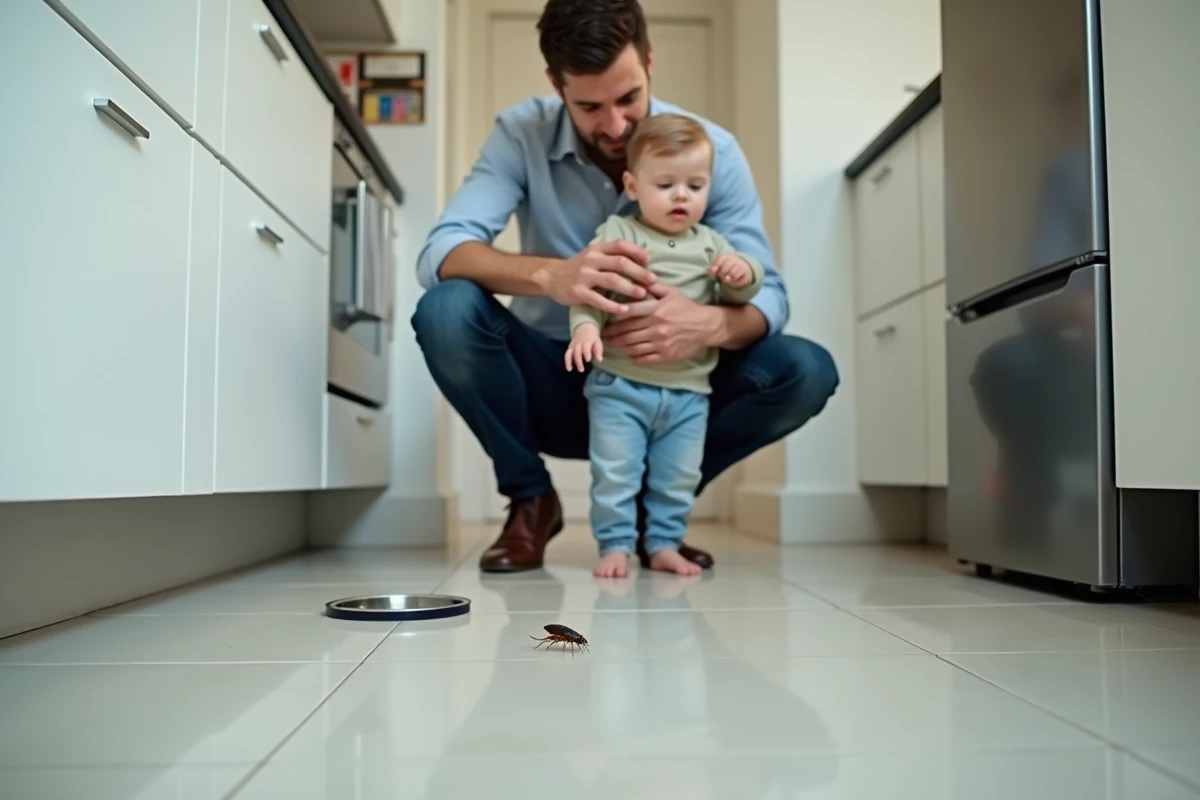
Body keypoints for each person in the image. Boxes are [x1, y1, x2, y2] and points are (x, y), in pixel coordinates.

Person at [411, 0, 839, 573]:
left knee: (805, 370)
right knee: (446, 310)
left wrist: (706, 323)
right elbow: (440, 251)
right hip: (558, 377)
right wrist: (551, 275)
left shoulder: (714, 151)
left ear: (650, 61)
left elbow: (771, 296)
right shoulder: (521, 133)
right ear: (555, 84)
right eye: (589, 106)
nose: (614, 126)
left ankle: (656, 510)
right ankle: (531, 499)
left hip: (677, 386)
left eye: (628, 98)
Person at [566, 114, 764, 578]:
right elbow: (588, 293)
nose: (681, 195)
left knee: (677, 478)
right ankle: (614, 545)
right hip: (621, 385)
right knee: (615, 473)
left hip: (688, 392)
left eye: (695, 186)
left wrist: (742, 274)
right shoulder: (620, 234)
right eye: (666, 184)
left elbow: (740, 296)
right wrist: (585, 330)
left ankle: (663, 544)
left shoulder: (713, 244)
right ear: (633, 187)